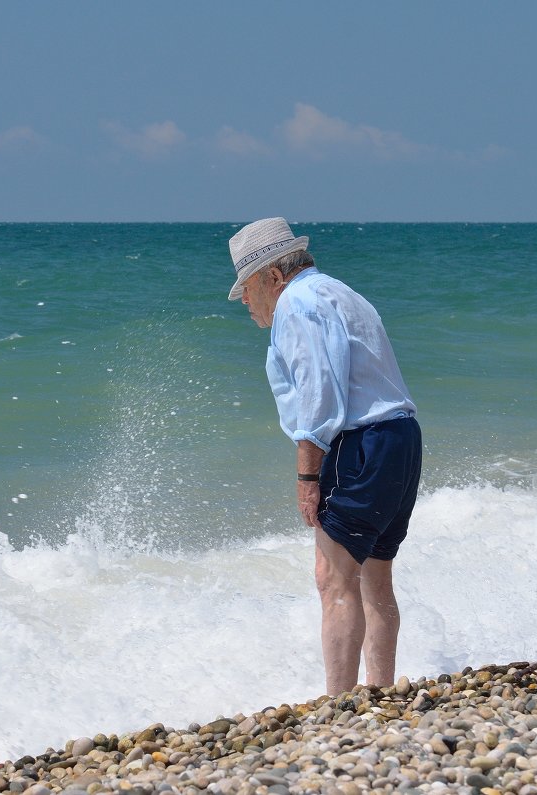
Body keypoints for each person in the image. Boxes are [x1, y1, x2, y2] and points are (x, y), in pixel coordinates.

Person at [227, 217, 422, 696]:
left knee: (333, 578)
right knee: (374, 574)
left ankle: (339, 702)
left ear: (273, 275)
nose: (246, 301)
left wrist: (306, 476)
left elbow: (320, 394)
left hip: (362, 443)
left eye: (248, 288)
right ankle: (379, 690)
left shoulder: (298, 303)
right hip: (402, 436)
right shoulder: (339, 292)